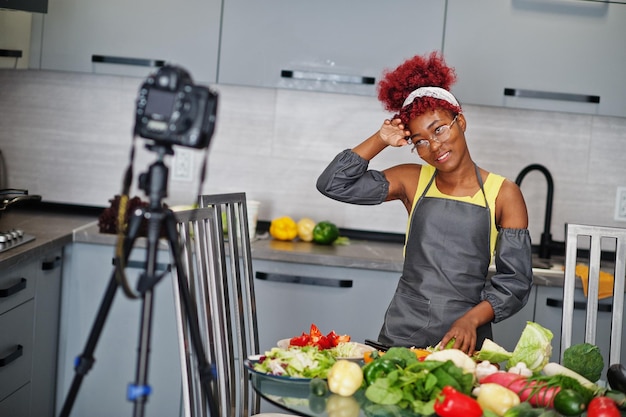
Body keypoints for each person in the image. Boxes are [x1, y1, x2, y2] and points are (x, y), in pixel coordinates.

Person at [316, 51, 533, 355]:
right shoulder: (412, 180)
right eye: (420, 141)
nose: (434, 146)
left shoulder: (504, 194)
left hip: (465, 341)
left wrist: (470, 321)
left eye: (439, 129)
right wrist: (380, 138)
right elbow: (333, 183)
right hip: (401, 335)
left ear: (461, 122)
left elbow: (516, 283)